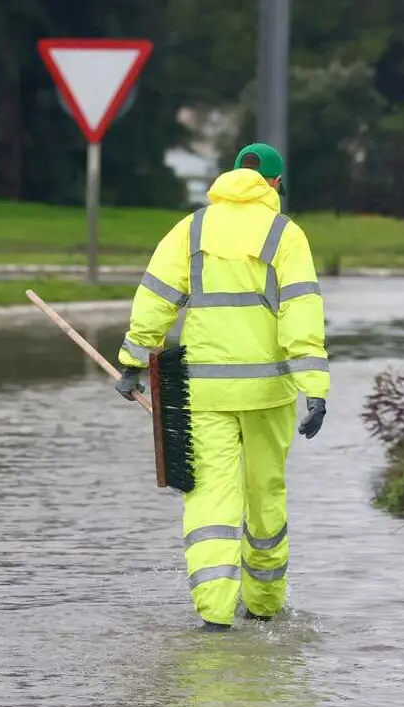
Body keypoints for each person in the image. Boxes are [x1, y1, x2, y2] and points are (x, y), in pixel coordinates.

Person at [113, 142, 329, 632]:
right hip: (269, 397)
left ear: (231, 177)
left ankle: (213, 617)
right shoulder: (286, 235)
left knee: (210, 500)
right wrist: (315, 387)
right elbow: (302, 314)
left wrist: (131, 362)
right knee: (265, 495)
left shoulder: (192, 229)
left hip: (202, 395)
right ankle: (265, 607)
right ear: (275, 184)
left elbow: (155, 299)